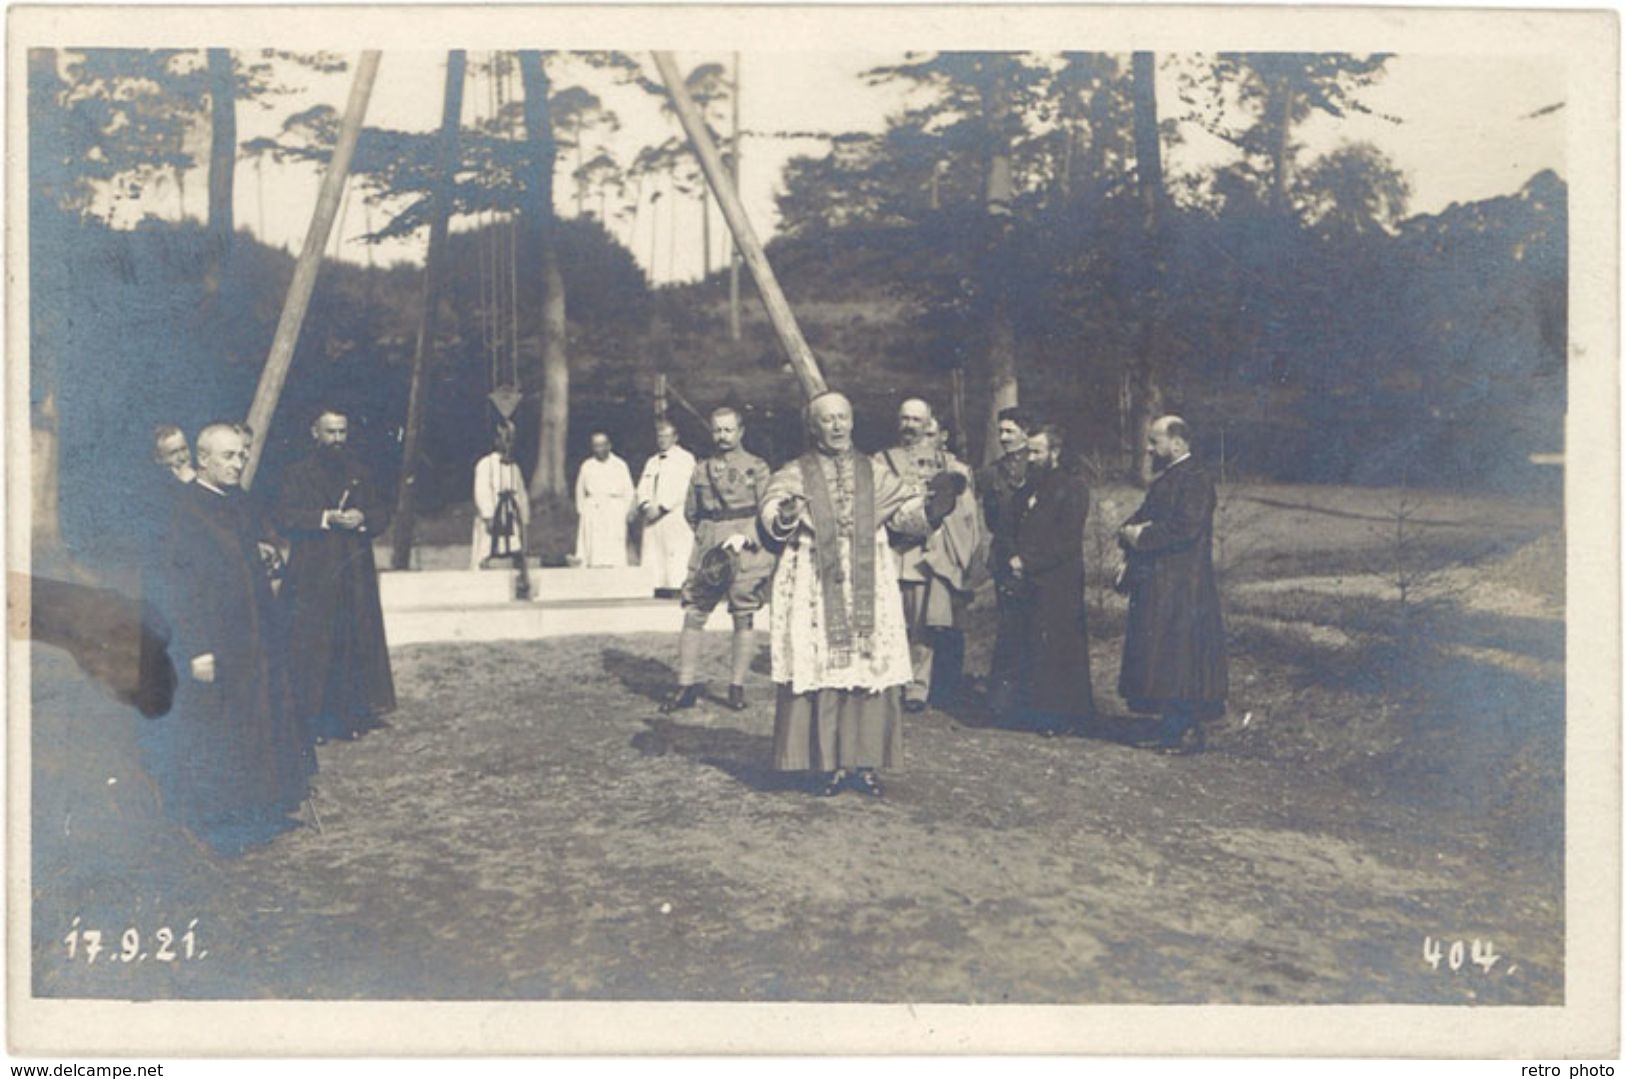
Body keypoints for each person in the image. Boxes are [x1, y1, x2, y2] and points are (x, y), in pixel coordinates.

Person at [759, 391, 964, 797]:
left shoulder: (875, 472)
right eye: (827, 419)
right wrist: (782, 514)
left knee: (867, 669)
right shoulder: (795, 472)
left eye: (843, 418)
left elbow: (906, 513)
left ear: (852, 422)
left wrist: (932, 508)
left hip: (869, 581)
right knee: (822, 663)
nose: (837, 426)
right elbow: (771, 507)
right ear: (813, 426)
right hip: (815, 581)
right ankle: (824, 764)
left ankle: (864, 764)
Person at [141, 423, 313, 854]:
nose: (238, 464)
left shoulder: (237, 504)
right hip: (214, 643)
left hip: (254, 638)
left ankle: (261, 809)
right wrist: (197, 648)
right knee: (220, 730)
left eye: (241, 456)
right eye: (228, 456)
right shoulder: (184, 511)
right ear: (203, 459)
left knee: (258, 722)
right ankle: (224, 821)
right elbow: (175, 588)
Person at [274, 408, 396, 743]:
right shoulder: (296, 474)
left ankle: (352, 715)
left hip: (355, 574)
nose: (337, 440)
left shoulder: (360, 472)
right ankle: (311, 722)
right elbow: (284, 517)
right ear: (315, 433)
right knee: (313, 647)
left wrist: (363, 518)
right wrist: (326, 518)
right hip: (313, 576)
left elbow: (382, 513)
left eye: (342, 432)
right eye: (330, 433)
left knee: (353, 643)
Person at [1117, 415, 1229, 754]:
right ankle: (1168, 727)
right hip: (1161, 581)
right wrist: (1127, 530)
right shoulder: (1169, 479)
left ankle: (1184, 731)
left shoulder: (1195, 479)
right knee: (1164, 657)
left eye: (1155, 441)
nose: (1149, 449)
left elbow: (1185, 528)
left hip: (1184, 585)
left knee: (1182, 659)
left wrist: (1140, 535)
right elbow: (1142, 515)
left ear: (1177, 443)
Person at [661, 406, 775, 713]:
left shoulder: (757, 468)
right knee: (695, 610)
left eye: (728, 430)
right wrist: (708, 536)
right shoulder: (702, 469)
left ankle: (736, 686)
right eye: (717, 430)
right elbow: (691, 511)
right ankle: (685, 685)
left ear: (740, 432)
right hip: (710, 547)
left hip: (745, 546)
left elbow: (768, 509)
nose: (722, 436)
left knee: (743, 612)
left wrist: (745, 535)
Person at [873, 398, 980, 712]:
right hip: (891, 552)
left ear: (929, 422)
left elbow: (967, 514)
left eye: (917, 420)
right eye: (904, 418)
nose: (909, 425)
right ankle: (887, 682)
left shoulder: (951, 466)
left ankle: (916, 688)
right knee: (888, 621)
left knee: (922, 626)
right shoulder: (881, 461)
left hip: (927, 556)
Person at [1006, 424, 1095, 736]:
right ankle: (1035, 710)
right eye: (1028, 451)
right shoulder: (1033, 486)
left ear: (1054, 453)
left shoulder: (1072, 488)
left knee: (1059, 648)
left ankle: (1063, 716)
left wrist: (1029, 561)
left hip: (1060, 581)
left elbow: (1067, 540)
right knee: (1033, 645)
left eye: (1036, 452)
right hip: (1032, 579)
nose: (1030, 458)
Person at [976, 405, 1037, 716]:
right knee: (1009, 623)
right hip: (1004, 554)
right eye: (1000, 431)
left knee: (1035, 624)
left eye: (1010, 431)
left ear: (1026, 432)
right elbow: (990, 517)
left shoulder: (1038, 465)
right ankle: (1006, 701)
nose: (1003, 437)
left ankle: (1034, 697)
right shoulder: (992, 473)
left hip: (1037, 555)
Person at [635, 419, 697, 596]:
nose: (662, 440)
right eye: (659, 436)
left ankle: (677, 588)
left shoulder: (685, 459)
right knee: (653, 553)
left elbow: (683, 487)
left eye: (666, 436)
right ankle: (656, 587)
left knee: (676, 552)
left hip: (673, 515)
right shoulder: (652, 461)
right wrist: (646, 504)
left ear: (675, 438)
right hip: (652, 516)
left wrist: (662, 508)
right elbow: (643, 485)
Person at [472, 422, 531, 571]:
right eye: (505, 439)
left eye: (511, 439)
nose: (508, 444)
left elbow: (521, 494)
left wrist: (524, 518)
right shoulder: (486, 464)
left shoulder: (514, 467)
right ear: (496, 441)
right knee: (488, 551)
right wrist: (488, 515)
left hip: (510, 518)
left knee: (513, 551)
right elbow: (482, 490)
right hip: (493, 518)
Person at [572, 431, 635, 568]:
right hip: (593, 511)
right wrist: (584, 511)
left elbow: (629, 491)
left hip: (614, 511)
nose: (599, 449)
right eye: (596, 445)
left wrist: (626, 511)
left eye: (602, 445)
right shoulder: (587, 465)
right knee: (594, 547)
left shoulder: (620, 465)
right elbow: (580, 491)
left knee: (613, 549)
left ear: (609, 446)